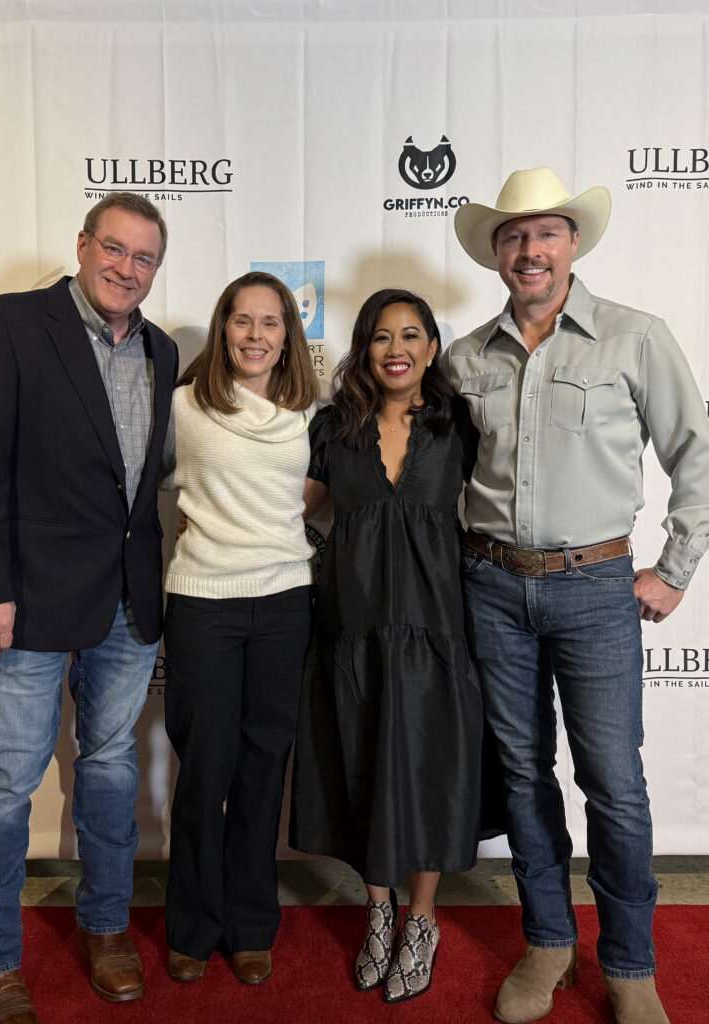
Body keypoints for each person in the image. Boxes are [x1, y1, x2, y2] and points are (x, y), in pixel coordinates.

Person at [445, 166, 709, 1024]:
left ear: (573, 244)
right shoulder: (464, 358)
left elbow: (696, 455)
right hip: (489, 587)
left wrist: (672, 571)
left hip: (596, 587)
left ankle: (630, 964)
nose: (531, 249)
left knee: (614, 785)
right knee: (523, 777)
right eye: (514, 236)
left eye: (547, 233)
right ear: (497, 253)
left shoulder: (634, 338)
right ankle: (548, 942)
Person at [0, 192, 177, 1023]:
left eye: (144, 257)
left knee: (111, 769)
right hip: (28, 600)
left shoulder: (163, 349)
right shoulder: (7, 323)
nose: (126, 268)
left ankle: (107, 927)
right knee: (7, 779)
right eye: (113, 249)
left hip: (127, 603)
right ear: (82, 247)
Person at [290, 288, 488, 1004]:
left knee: (430, 770)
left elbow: (506, 499)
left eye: (411, 334)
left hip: (438, 629)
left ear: (432, 347)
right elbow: (296, 510)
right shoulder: (333, 426)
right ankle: (378, 909)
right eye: (380, 336)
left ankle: (423, 919)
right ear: (363, 349)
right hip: (354, 629)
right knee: (363, 761)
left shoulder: (459, 423)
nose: (396, 348)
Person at [162, 271, 319, 988]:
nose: (256, 335)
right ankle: (193, 924)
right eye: (242, 320)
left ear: (289, 333)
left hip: (286, 602)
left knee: (263, 772)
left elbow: (315, 491)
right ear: (223, 328)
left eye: (271, 321)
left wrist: (274, 516)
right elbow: (141, 486)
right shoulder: (184, 408)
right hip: (203, 603)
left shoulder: (308, 412)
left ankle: (253, 924)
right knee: (206, 769)